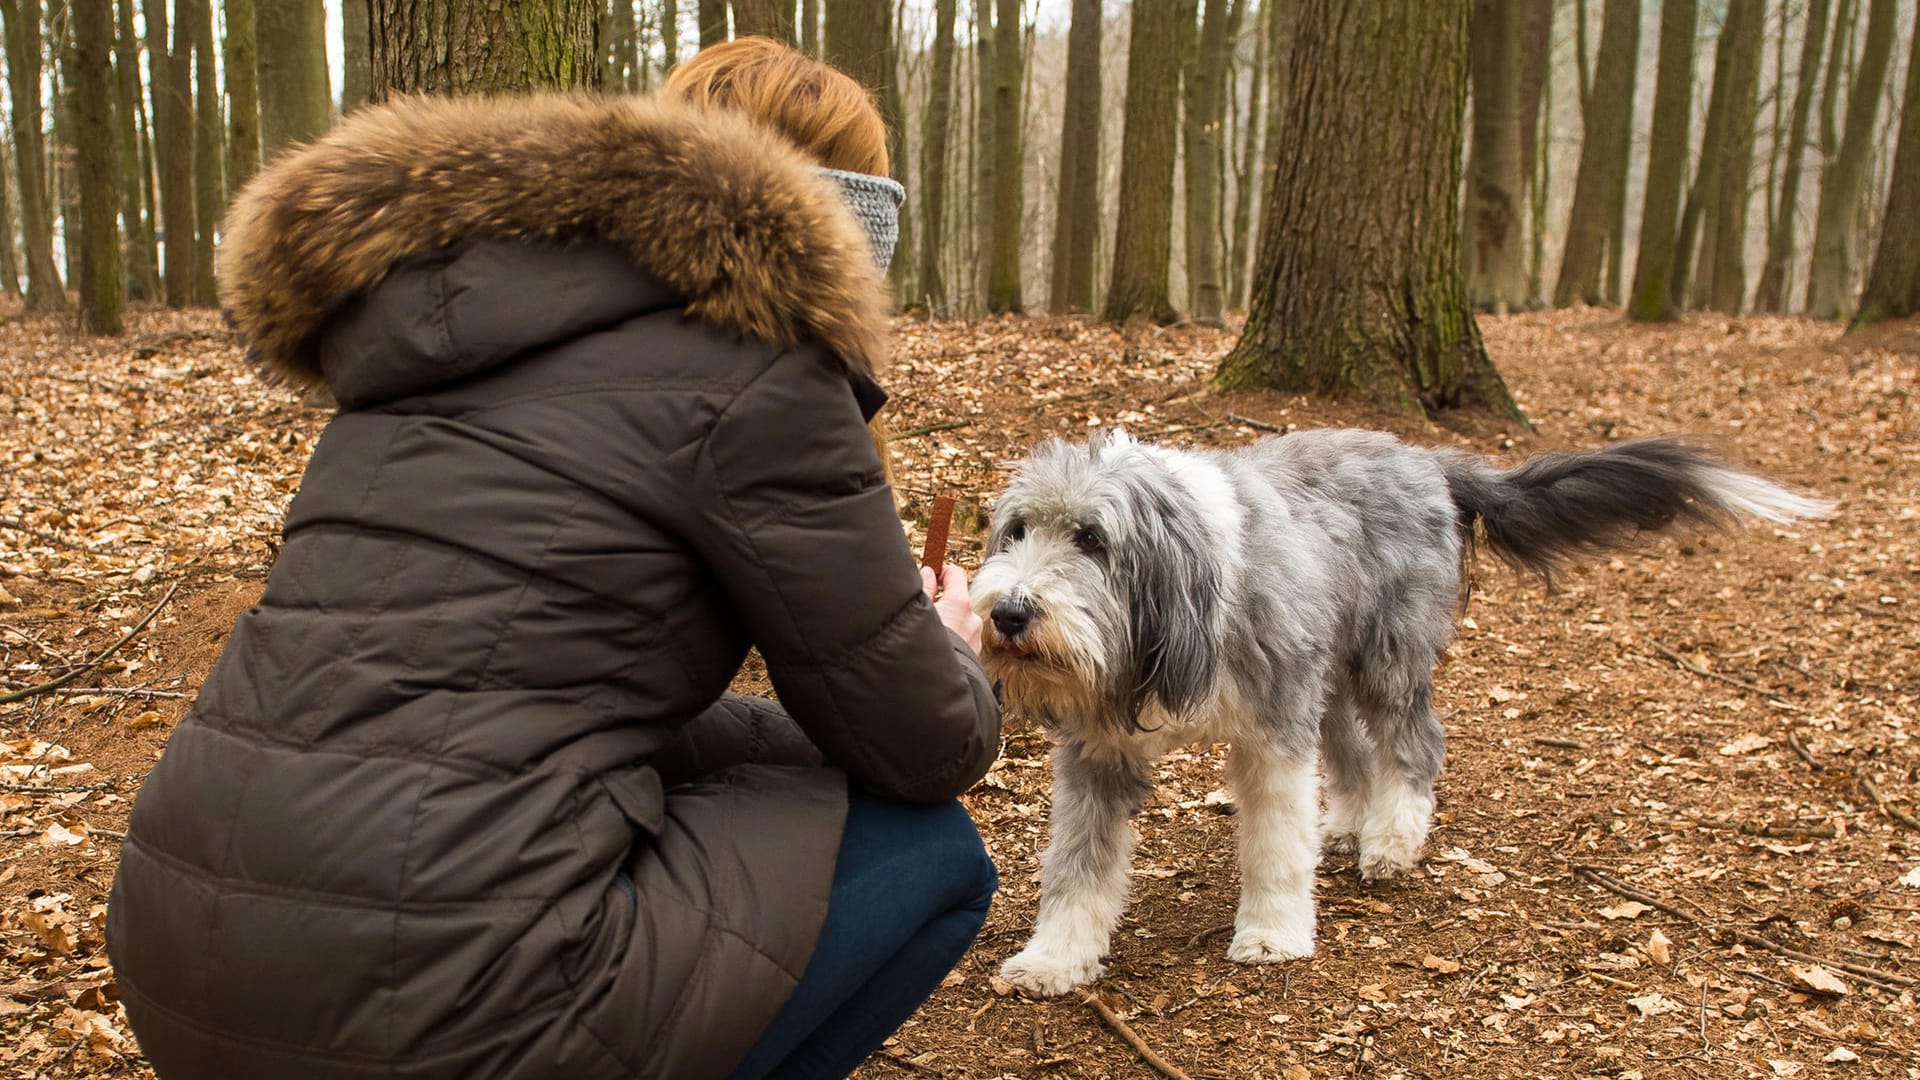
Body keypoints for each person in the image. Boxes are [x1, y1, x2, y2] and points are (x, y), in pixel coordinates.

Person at [106, 41, 1002, 1080]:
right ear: (846, 227)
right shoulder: (762, 375)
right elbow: (926, 746)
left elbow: (499, 686)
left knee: (762, 751)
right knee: (935, 854)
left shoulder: (436, 338)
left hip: (185, 953)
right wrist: (950, 644)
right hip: (439, 1009)